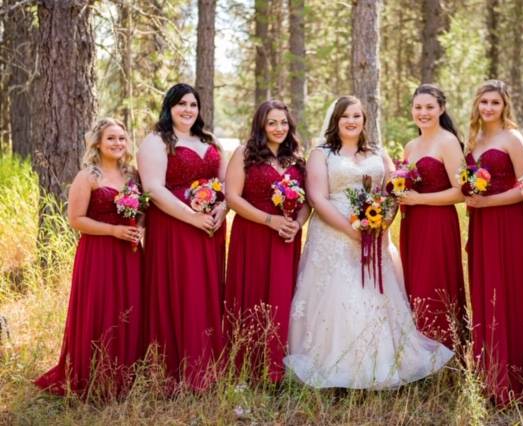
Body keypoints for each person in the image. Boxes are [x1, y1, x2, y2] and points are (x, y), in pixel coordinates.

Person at [284, 96, 453, 389]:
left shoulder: (378, 153)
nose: (351, 121)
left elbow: (393, 191)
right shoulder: (321, 154)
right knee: (340, 299)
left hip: (375, 236)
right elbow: (318, 199)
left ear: (364, 120)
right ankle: (336, 368)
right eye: (345, 116)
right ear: (336, 120)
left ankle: (379, 366)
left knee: (374, 298)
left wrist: (382, 225)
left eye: (357, 116)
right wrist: (352, 231)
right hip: (333, 236)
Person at [35, 118, 144, 400]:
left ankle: (126, 374)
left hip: (129, 254)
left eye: (122, 138)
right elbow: (76, 220)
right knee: (100, 308)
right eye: (111, 138)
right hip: (99, 253)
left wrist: (138, 227)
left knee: (130, 308)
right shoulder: (88, 176)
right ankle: (94, 375)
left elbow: (143, 209)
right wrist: (113, 230)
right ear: (97, 143)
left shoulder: (132, 174)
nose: (118, 143)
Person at [137, 83, 227, 391]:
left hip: (210, 227)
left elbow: (225, 182)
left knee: (207, 290)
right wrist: (192, 217)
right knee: (181, 288)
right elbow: (153, 188)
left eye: (193, 104)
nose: (188, 110)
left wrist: (222, 209)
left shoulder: (210, 139)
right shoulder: (157, 141)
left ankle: (209, 366)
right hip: (174, 225)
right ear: (169, 107)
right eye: (181, 104)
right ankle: (176, 370)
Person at [225, 100, 310, 382]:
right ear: (261, 125)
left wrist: (296, 224)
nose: (279, 128)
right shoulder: (245, 153)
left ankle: (275, 369)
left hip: (286, 237)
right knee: (251, 295)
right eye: (272, 122)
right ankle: (246, 368)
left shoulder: (297, 158)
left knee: (281, 297)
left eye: (283, 123)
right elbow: (233, 198)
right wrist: (268, 220)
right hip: (252, 233)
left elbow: (308, 201)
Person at [464, 80, 523, 404]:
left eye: (495, 102)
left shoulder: (512, 137)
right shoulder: (474, 139)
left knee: (508, 291)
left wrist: (488, 203)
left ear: (505, 105)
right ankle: (489, 376)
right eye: (484, 102)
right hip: (481, 224)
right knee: (485, 293)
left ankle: (515, 378)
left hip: (508, 223)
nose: (489, 108)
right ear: (477, 105)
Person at [398, 84, 467, 350]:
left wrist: (420, 199)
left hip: (438, 223)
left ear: (441, 108)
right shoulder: (410, 145)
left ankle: (444, 353)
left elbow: (461, 193)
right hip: (412, 225)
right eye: (418, 107)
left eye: (429, 107)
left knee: (435, 285)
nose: (423, 112)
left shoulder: (448, 142)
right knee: (414, 285)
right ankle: (420, 355)